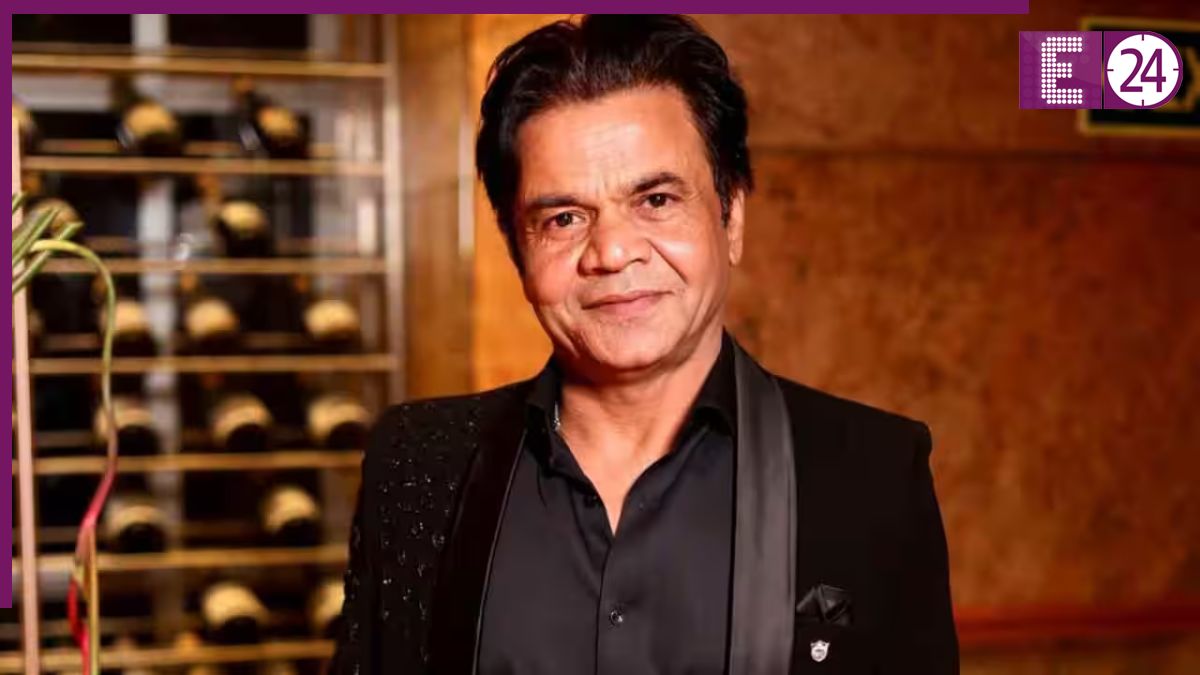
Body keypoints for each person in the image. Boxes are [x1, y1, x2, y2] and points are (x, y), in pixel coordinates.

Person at [333, 14, 957, 675]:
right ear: (518, 251)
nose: (611, 251)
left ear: (731, 216)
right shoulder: (419, 466)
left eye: (656, 200)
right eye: (564, 218)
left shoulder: (872, 476)